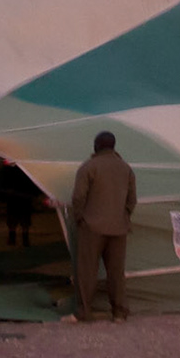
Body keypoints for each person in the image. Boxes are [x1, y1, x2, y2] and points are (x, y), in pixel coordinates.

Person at [70, 130, 135, 321]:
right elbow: (132, 200)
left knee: (87, 271)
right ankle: (119, 312)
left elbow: (78, 197)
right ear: (113, 146)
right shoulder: (126, 168)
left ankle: (84, 312)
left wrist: (80, 218)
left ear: (96, 146)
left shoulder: (88, 167)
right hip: (119, 227)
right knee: (116, 272)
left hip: (92, 227)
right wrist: (123, 216)